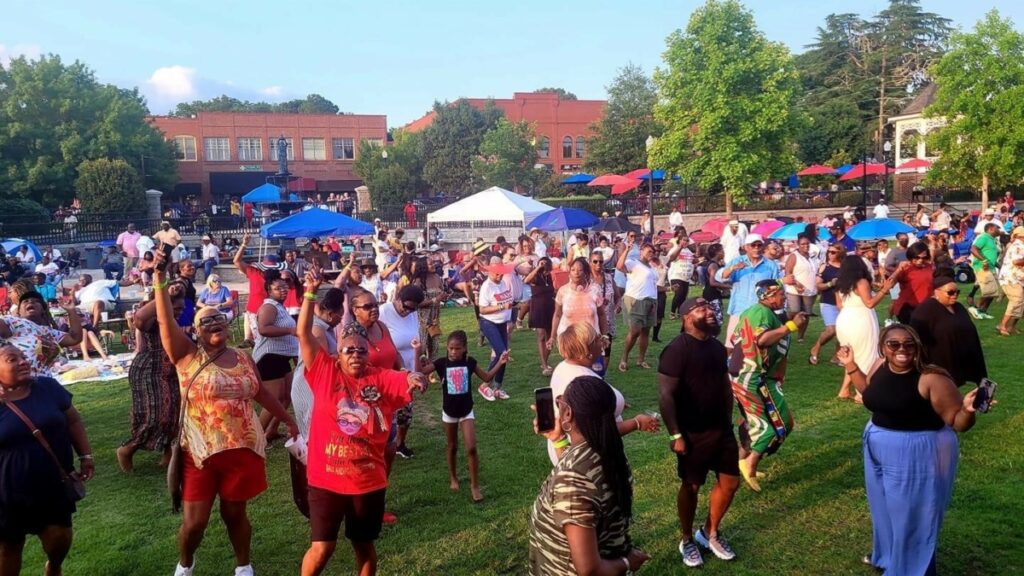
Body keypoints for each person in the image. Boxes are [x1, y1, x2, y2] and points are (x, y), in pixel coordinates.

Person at [152, 250, 297, 576]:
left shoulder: (242, 356)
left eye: (219, 318)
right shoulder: (185, 356)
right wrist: (158, 278)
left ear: (228, 325)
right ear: (196, 330)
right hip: (201, 452)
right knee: (195, 523)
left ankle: (243, 567)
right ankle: (185, 564)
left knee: (236, 514)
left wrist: (287, 420)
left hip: (242, 449)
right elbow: (164, 321)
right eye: (206, 320)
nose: (214, 323)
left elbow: (259, 391)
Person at [296, 275, 427, 576]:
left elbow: (402, 378)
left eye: (361, 350)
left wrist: (413, 377)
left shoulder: (378, 377)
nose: (355, 354)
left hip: (366, 481)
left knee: (363, 544)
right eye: (348, 350)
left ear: (368, 353)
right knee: (322, 548)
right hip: (326, 478)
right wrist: (309, 295)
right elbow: (303, 333)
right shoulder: (324, 371)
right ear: (337, 352)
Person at [839, 325, 987, 575]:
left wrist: (968, 410)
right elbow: (871, 392)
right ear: (883, 348)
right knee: (883, 507)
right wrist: (851, 365)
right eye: (893, 344)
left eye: (909, 344)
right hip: (877, 443)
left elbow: (957, 422)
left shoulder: (932, 378)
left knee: (913, 513)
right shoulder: (879, 365)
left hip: (918, 451)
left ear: (918, 347)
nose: (901, 350)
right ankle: (887, 557)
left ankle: (913, 569)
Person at [528, 377, 649, 576]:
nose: (557, 407)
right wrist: (557, 439)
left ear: (568, 413)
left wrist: (628, 562)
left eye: (560, 403)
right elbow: (579, 471)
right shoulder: (605, 449)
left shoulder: (573, 482)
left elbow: (589, 570)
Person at [658, 298, 740, 567]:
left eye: (709, 309)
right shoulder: (676, 350)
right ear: (686, 317)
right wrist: (675, 435)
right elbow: (666, 396)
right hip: (692, 432)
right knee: (691, 486)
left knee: (730, 482)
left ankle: (709, 533)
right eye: (701, 309)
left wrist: (731, 421)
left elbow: (725, 387)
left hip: (721, 428)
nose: (709, 313)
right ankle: (686, 539)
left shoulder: (717, 348)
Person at [0, 345, 94, 576]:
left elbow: (73, 420)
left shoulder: (48, 387)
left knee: (59, 538)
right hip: (5, 492)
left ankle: (54, 567)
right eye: (12, 359)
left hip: (53, 483)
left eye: (23, 357)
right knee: (9, 547)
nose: (23, 361)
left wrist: (86, 455)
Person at [730, 280, 807, 491]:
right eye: (780, 294)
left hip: (757, 377)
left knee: (769, 423)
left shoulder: (762, 312)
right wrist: (790, 327)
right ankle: (749, 465)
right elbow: (761, 340)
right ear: (767, 296)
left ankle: (738, 463)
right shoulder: (760, 312)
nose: (784, 297)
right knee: (770, 427)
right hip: (751, 377)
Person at [547, 323, 659, 465]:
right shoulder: (581, 383)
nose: (603, 341)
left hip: (576, 454)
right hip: (589, 460)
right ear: (585, 350)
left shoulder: (565, 366)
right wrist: (636, 423)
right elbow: (597, 432)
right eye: (597, 338)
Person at [415, 330, 507, 503]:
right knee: (452, 446)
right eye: (450, 348)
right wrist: (416, 350)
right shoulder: (441, 363)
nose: (453, 352)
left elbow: (486, 377)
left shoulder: (470, 363)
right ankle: (453, 477)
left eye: (457, 348)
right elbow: (420, 371)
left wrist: (500, 362)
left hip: (466, 411)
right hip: (449, 412)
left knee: (471, 447)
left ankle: (474, 485)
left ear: (464, 348)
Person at [116, 283, 186, 473]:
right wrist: (163, 295)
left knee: (175, 414)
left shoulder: (172, 322)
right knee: (155, 416)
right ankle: (127, 450)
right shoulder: (153, 321)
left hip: (170, 372)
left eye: (182, 309)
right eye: (176, 308)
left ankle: (168, 455)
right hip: (149, 371)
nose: (179, 312)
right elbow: (139, 318)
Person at [289, 286, 345, 518]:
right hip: (311, 389)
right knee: (317, 439)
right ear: (330, 312)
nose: (343, 315)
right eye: (340, 311)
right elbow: (324, 364)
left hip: (317, 387)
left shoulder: (326, 327)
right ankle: (321, 492)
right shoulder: (318, 330)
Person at [910, 270, 987, 388]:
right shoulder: (924, 311)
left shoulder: (958, 307)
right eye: (950, 292)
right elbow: (915, 338)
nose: (955, 295)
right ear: (936, 292)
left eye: (957, 292)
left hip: (961, 356)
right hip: (939, 361)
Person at [835, 256, 896, 402]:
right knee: (865, 355)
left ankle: (844, 390)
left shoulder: (840, 284)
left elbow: (839, 305)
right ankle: (861, 393)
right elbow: (869, 303)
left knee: (849, 355)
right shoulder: (861, 282)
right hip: (860, 320)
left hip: (844, 319)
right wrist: (884, 290)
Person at [378, 284, 426, 459]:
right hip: (389, 372)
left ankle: (399, 444)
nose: (408, 311)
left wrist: (420, 357)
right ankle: (382, 446)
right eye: (405, 306)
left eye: (413, 309)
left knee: (406, 412)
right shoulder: (383, 312)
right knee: (386, 413)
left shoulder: (412, 315)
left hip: (409, 372)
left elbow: (415, 340)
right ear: (397, 298)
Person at [252, 272, 299, 441]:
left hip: (282, 358)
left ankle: (271, 430)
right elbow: (264, 328)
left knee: (287, 395)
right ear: (269, 291)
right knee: (274, 399)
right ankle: (254, 438)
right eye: (278, 288)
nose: (283, 290)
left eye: (285, 287)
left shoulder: (280, 307)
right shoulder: (269, 307)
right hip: (269, 358)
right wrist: (290, 330)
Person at [715, 234, 782, 352]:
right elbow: (719, 277)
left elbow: (775, 288)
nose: (756, 247)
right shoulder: (737, 261)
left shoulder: (771, 265)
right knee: (731, 344)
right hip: (739, 309)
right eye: (753, 245)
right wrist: (732, 269)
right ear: (746, 247)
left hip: (761, 312)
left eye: (759, 245)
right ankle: (728, 369)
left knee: (759, 345)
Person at [1, 293, 82, 377]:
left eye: (36, 301)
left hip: (44, 382)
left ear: (43, 310)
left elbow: (74, 338)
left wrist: (71, 311)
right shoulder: (12, 322)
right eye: (25, 301)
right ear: (18, 311)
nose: (31, 302)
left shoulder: (48, 332)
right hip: (20, 382)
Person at [232, 234, 285, 346]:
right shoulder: (254, 272)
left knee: (268, 339)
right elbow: (236, 261)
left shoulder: (277, 277)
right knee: (260, 338)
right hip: (256, 308)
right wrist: (244, 244)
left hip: (271, 309)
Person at [616, 241, 658, 372]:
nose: (651, 254)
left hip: (650, 301)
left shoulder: (652, 268)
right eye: (648, 251)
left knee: (646, 332)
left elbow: (652, 285)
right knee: (635, 332)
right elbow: (619, 266)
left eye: (653, 252)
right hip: (636, 300)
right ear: (641, 251)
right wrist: (626, 250)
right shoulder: (633, 263)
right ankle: (624, 358)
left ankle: (641, 359)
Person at [476, 257, 514, 401]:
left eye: (501, 273)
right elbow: (483, 310)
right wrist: (500, 307)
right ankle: (485, 385)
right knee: (501, 353)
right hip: (489, 322)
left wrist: (509, 318)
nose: (499, 275)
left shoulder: (503, 283)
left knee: (503, 354)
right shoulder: (487, 286)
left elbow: (508, 302)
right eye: (496, 273)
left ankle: (497, 387)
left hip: (502, 323)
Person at [549, 257, 605, 346]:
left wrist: (604, 336)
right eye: (573, 270)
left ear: (586, 273)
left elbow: (602, 314)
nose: (576, 273)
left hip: (591, 340)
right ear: (569, 273)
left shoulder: (595, 290)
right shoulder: (563, 291)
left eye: (580, 270)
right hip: (568, 342)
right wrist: (552, 337)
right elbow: (557, 315)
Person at [808, 244, 844, 365]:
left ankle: (837, 356)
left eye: (833, 252)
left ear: (840, 253)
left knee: (842, 330)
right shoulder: (825, 267)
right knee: (831, 330)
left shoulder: (845, 267)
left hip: (843, 302)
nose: (830, 254)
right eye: (829, 252)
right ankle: (816, 348)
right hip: (828, 301)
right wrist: (830, 284)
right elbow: (818, 285)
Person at [782, 234, 817, 342]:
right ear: (798, 245)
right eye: (803, 244)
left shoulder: (812, 256)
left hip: (810, 290)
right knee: (795, 310)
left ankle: (800, 336)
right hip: (794, 289)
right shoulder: (794, 256)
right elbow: (787, 272)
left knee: (806, 314)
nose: (805, 246)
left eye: (807, 243)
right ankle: (784, 326)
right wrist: (796, 284)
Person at [589, 250, 619, 379]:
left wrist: (617, 307)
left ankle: (602, 377)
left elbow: (618, 297)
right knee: (591, 351)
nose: (598, 264)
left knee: (606, 351)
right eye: (595, 261)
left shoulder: (608, 278)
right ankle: (590, 376)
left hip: (607, 321)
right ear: (590, 262)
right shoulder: (586, 280)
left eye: (601, 261)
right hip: (591, 322)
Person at [524, 257, 556, 376]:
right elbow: (526, 280)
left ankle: (545, 362)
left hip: (550, 308)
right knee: (541, 336)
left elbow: (553, 290)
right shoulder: (536, 276)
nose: (545, 267)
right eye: (543, 264)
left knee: (550, 337)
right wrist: (538, 267)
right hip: (538, 308)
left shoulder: (549, 277)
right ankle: (544, 364)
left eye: (547, 264)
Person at [888, 243, 934, 324]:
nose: (920, 260)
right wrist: (898, 270)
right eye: (917, 257)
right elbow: (889, 284)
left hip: (927, 307)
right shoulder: (905, 267)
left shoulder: (930, 267)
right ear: (911, 256)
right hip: (908, 308)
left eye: (924, 257)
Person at [968, 222, 1002, 319]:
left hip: (991, 267)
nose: (999, 230)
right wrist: (983, 260)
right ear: (990, 229)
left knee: (994, 292)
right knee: (989, 291)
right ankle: (976, 309)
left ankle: (983, 311)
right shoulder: (984, 237)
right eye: (997, 228)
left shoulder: (993, 240)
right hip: (983, 267)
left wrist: (1000, 267)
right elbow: (973, 249)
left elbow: (991, 257)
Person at [996, 226, 1024, 336]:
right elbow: (1016, 262)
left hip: (1016, 278)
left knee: (1020, 302)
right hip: (1011, 278)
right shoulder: (1018, 246)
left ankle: (1011, 326)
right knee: (1017, 300)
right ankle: (1002, 325)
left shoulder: (1020, 245)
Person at [666, 232, 695, 319]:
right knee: (678, 294)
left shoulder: (689, 252)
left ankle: (680, 312)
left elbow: (691, 262)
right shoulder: (675, 248)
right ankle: (672, 312)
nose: (685, 242)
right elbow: (671, 258)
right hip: (676, 275)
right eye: (683, 240)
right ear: (679, 241)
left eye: (687, 241)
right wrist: (680, 247)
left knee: (683, 295)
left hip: (686, 276)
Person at [700, 243, 728, 325]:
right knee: (716, 321)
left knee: (715, 320)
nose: (724, 252)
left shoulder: (717, 264)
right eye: (722, 250)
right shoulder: (713, 265)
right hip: (712, 296)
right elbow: (713, 282)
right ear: (718, 252)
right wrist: (728, 286)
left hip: (714, 294)